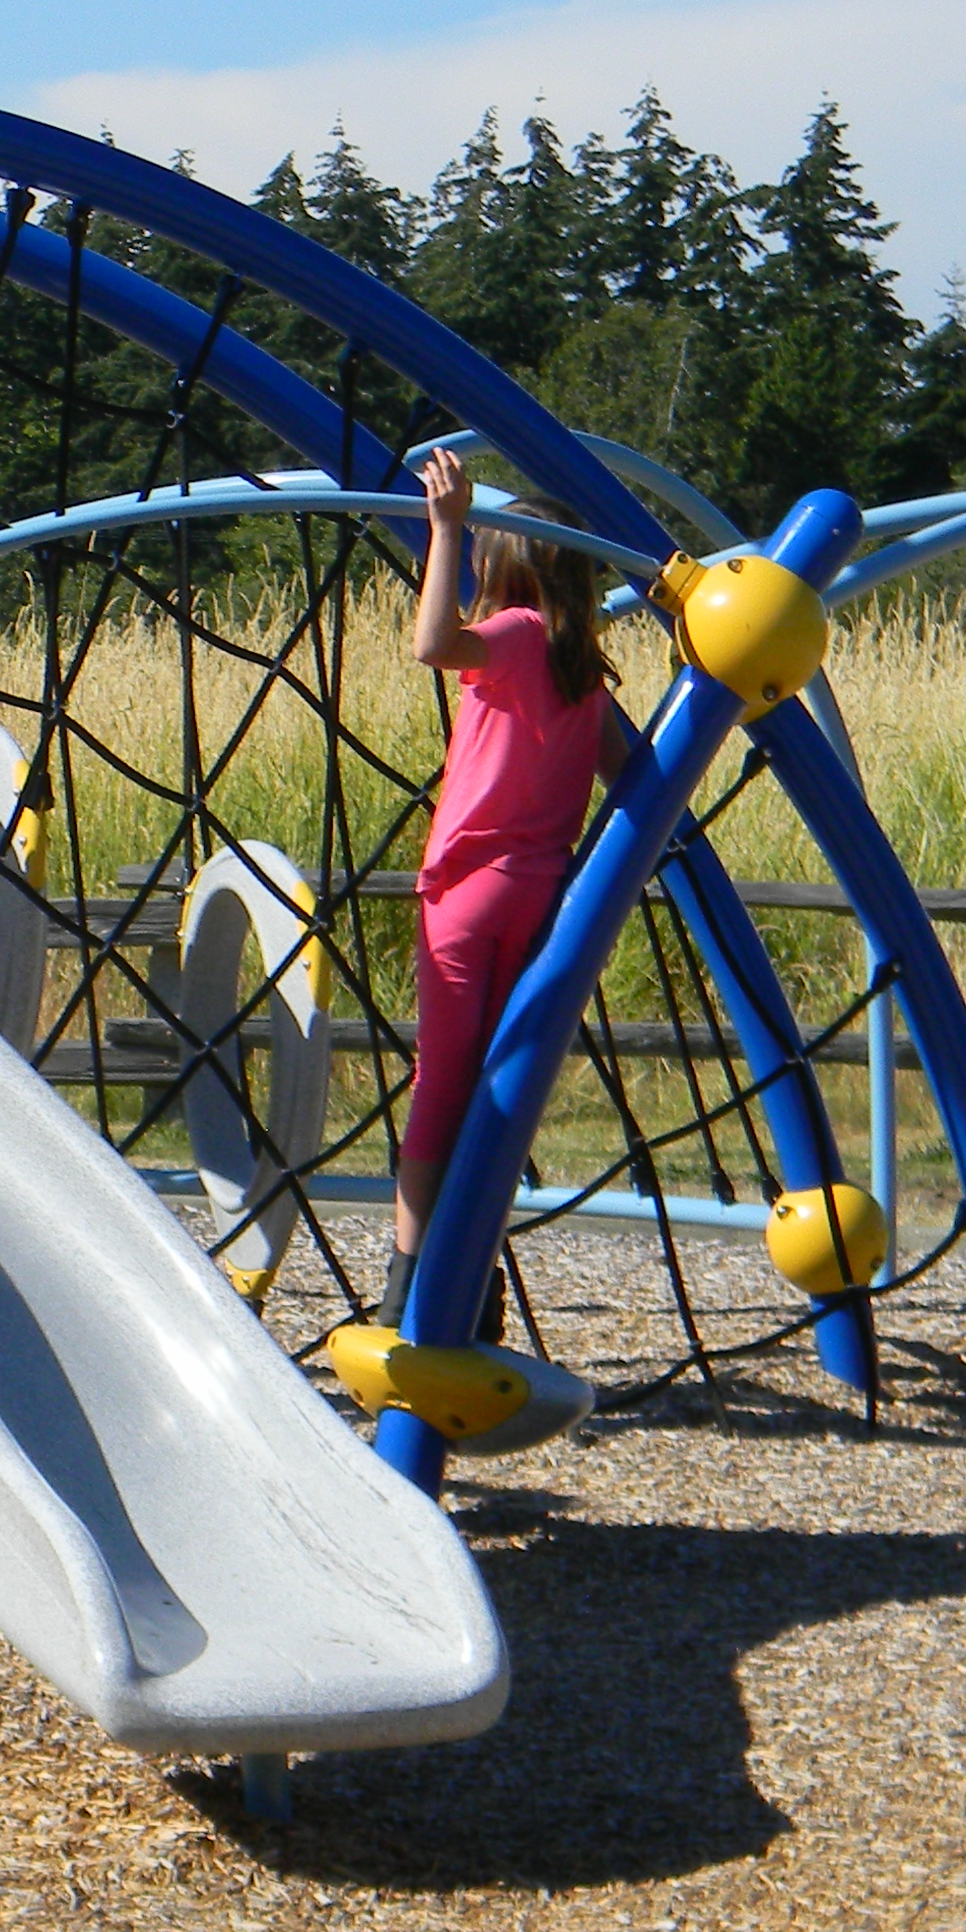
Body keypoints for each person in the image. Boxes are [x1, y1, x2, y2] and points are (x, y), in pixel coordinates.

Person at [385, 450, 632, 1334]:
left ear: (514, 564)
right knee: (496, 1087)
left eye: (489, 552)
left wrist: (444, 527)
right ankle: (474, 1275)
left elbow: (433, 645)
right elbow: (634, 778)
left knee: (441, 1087)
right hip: (542, 898)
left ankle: (411, 1286)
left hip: (464, 893)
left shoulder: (519, 633)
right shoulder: (584, 673)